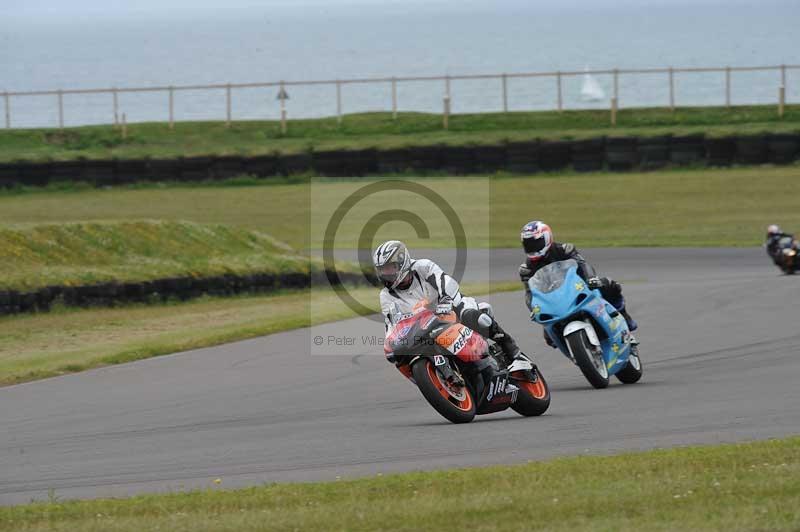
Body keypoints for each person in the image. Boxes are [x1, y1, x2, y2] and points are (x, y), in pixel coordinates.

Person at [374, 240, 531, 365]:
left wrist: (446, 300)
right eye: (382, 270)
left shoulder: (422, 267)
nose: (386, 273)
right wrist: (390, 344)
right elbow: (392, 324)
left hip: (451, 308)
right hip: (424, 328)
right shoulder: (386, 296)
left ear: (402, 262)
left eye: (390, 268)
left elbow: (445, 282)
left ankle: (512, 350)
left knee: (471, 315)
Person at [516, 221, 638, 347]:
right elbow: (530, 293)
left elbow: (583, 264)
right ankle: (578, 352)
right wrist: (533, 308)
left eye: (535, 243)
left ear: (547, 238)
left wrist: (591, 279)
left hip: (580, 288)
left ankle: (624, 316)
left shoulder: (565, 249)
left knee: (610, 285)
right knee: (550, 338)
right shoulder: (526, 269)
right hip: (554, 300)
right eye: (528, 244)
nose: (533, 247)